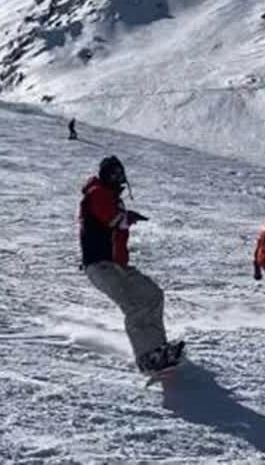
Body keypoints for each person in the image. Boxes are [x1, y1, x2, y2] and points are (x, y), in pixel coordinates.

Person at [79, 155, 183, 373]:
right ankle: (146, 357)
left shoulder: (111, 196)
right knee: (134, 307)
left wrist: (127, 217)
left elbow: (117, 223)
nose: (118, 177)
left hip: (118, 265)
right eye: (113, 174)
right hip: (100, 264)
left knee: (152, 295)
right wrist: (128, 217)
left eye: (120, 173)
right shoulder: (97, 192)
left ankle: (158, 348)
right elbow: (111, 218)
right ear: (105, 175)